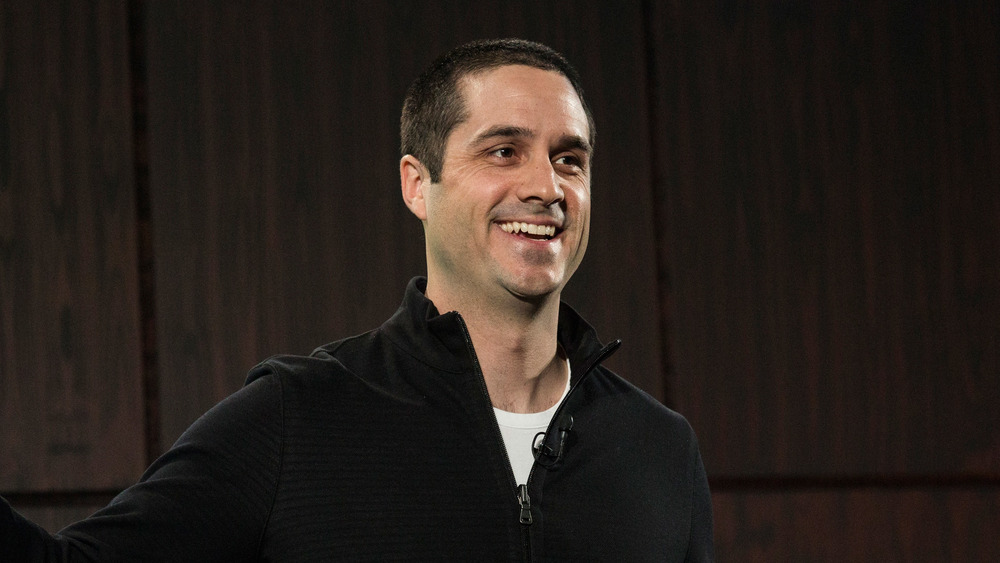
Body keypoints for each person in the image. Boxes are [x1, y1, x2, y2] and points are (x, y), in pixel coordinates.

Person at [2, 38, 714, 561]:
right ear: (417, 184)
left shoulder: (660, 449)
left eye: (570, 159)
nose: (547, 186)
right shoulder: (298, 416)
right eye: (504, 151)